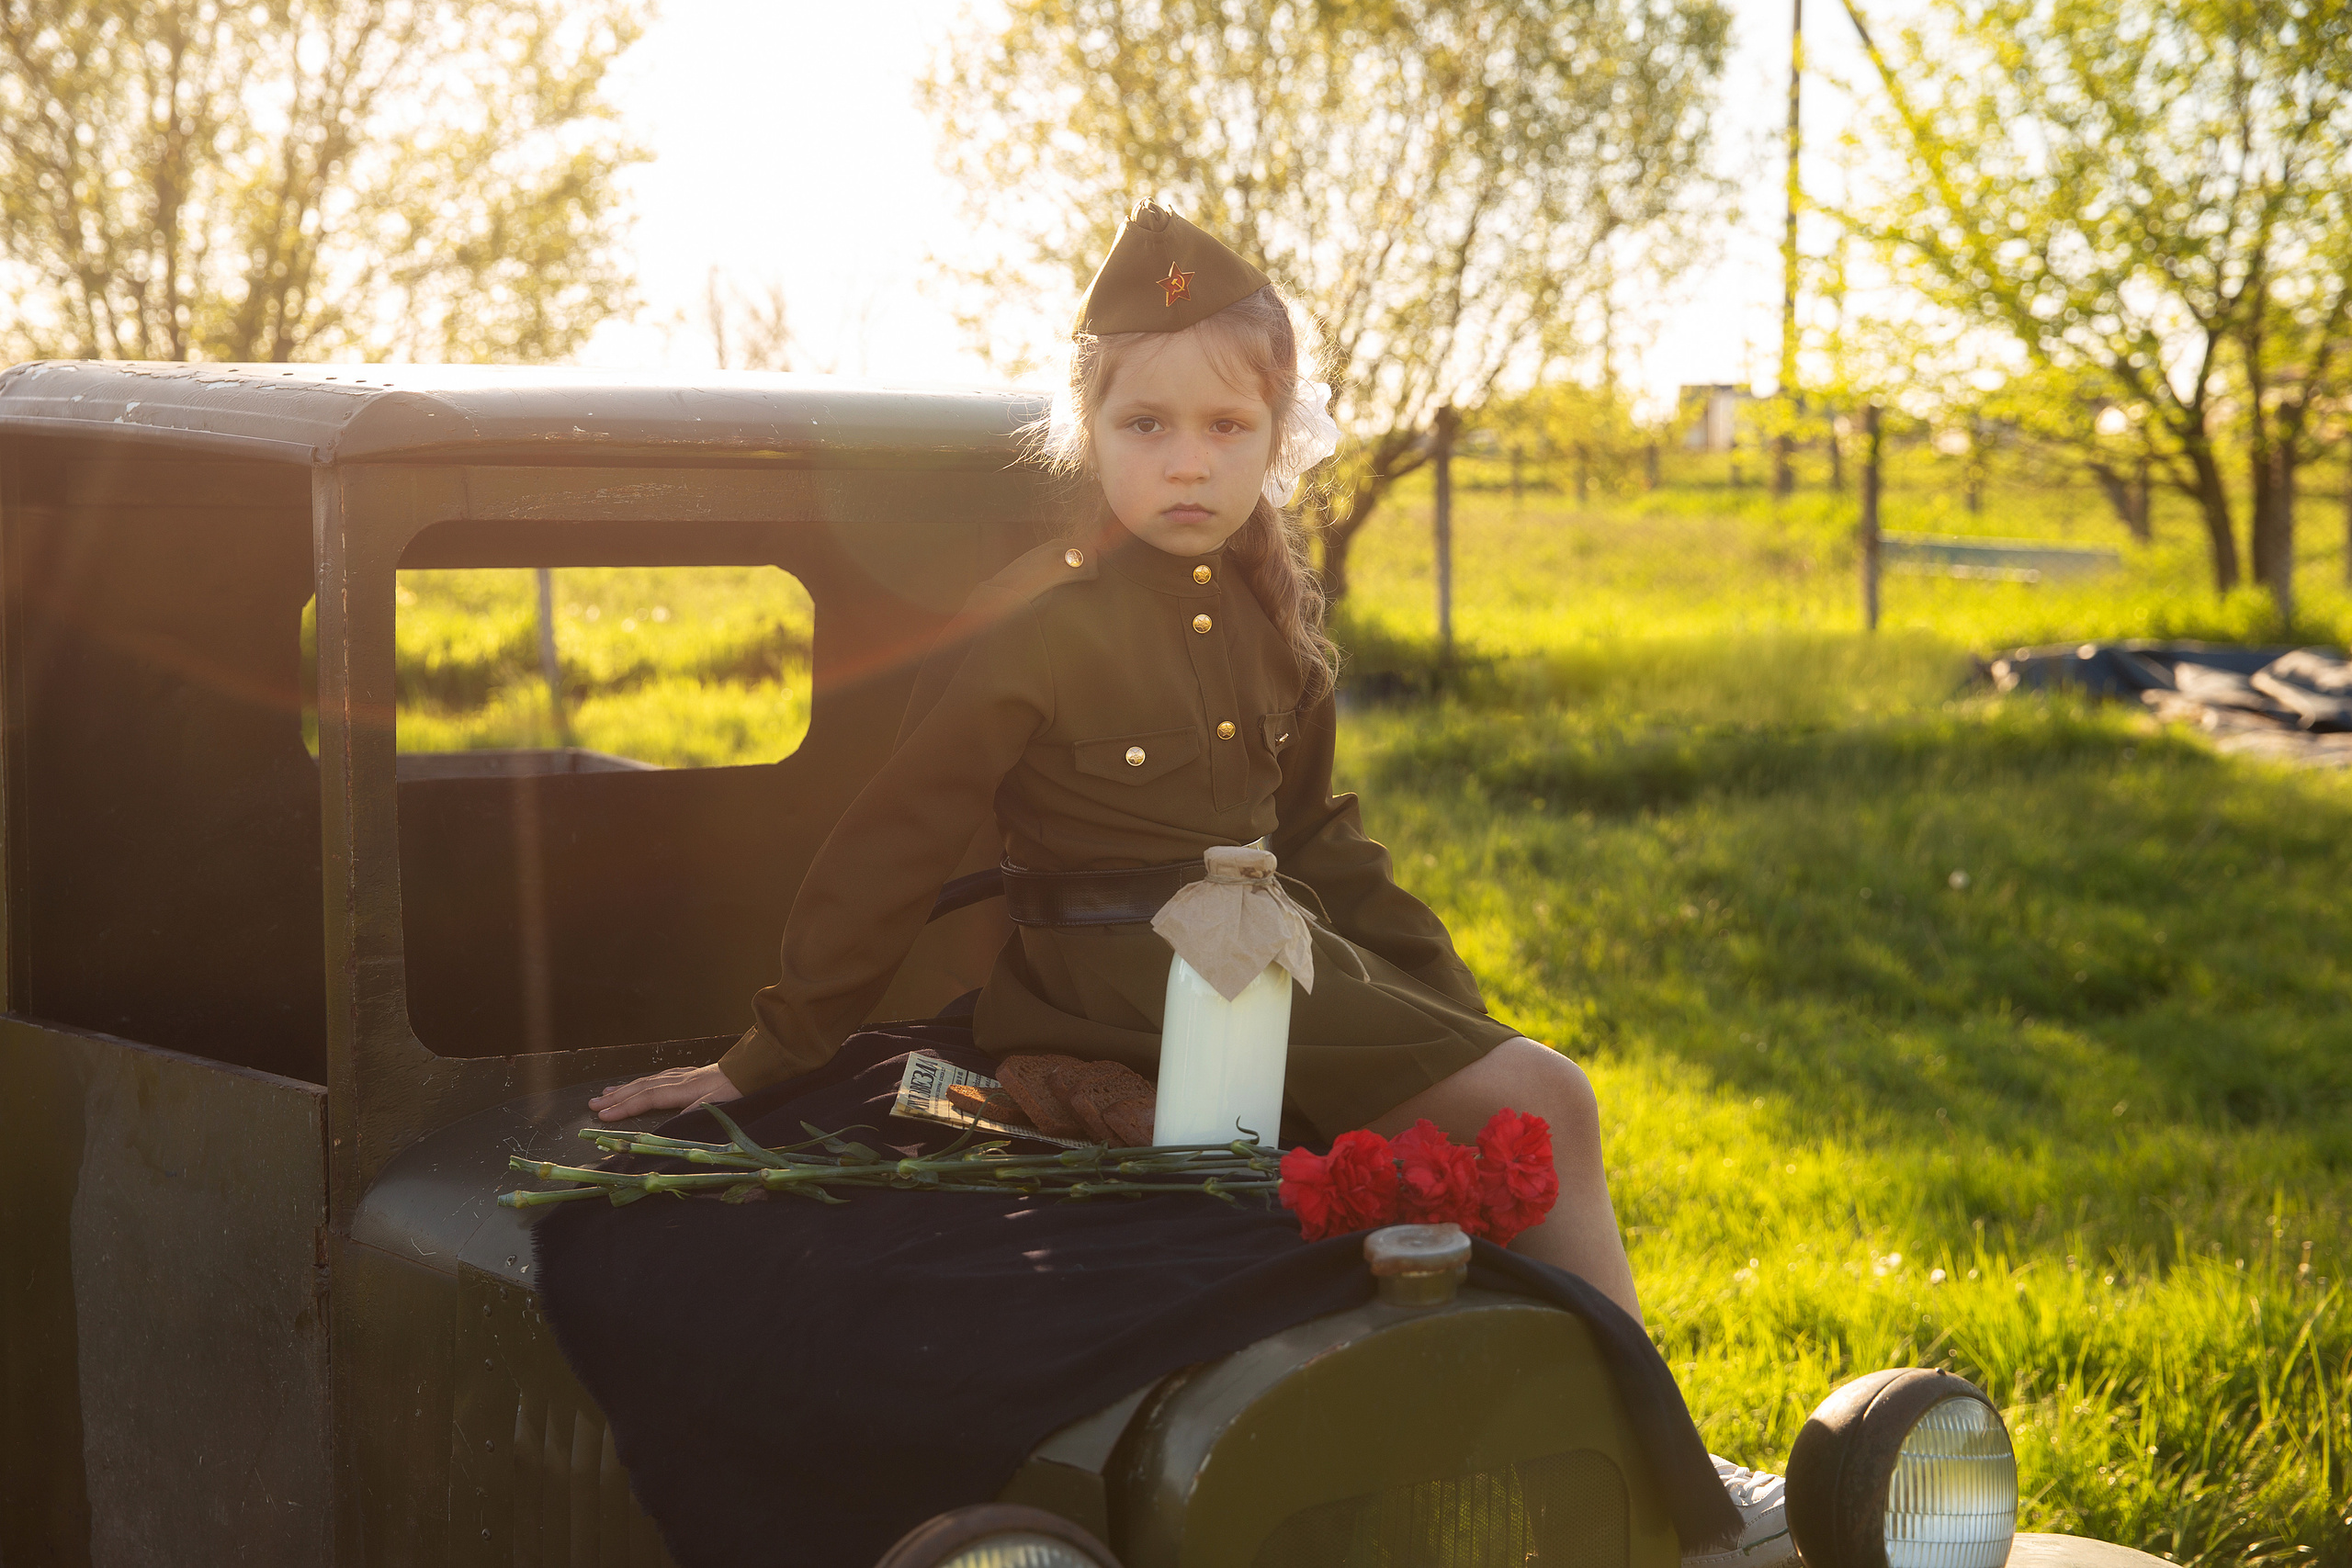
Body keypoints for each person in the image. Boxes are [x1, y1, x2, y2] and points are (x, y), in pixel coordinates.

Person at [587, 202, 1790, 1566]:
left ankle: (1603, 1459)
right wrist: (767, 1055)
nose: (1186, 463)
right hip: (1117, 984)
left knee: (1528, 1094)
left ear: (1282, 441)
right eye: (1145, 426)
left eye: (1228, 429)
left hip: (1265, 958)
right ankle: (1680, 1484)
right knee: (1547, 1106)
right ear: (1086, 435)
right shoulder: (1035, 625)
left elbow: (1324, 844)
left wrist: (1456, 1019)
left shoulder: (1273, 611)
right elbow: (893, 843)